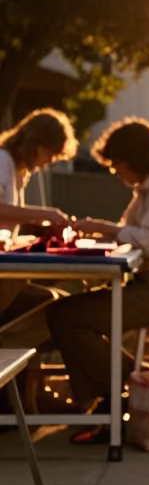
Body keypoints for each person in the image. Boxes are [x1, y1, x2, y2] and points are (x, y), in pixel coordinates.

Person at [47, 118, 149, 438]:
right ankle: (120, 391)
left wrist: (103, 228)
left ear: (136, 158)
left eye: (118, 163)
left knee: (68, 316)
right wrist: (98, 235)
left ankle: (122, 390)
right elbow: (128, 233)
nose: (115, 171)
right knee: (68, 313)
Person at [0, 109, 77, 348]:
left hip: (5, 269)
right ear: (35, 143)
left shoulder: (18, 171)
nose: (50, 161)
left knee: (59, 306)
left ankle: (19, 368)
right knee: (55, 311)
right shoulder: (2, 161)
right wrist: (42, 214)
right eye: (50, 153)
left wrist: (41, 232)